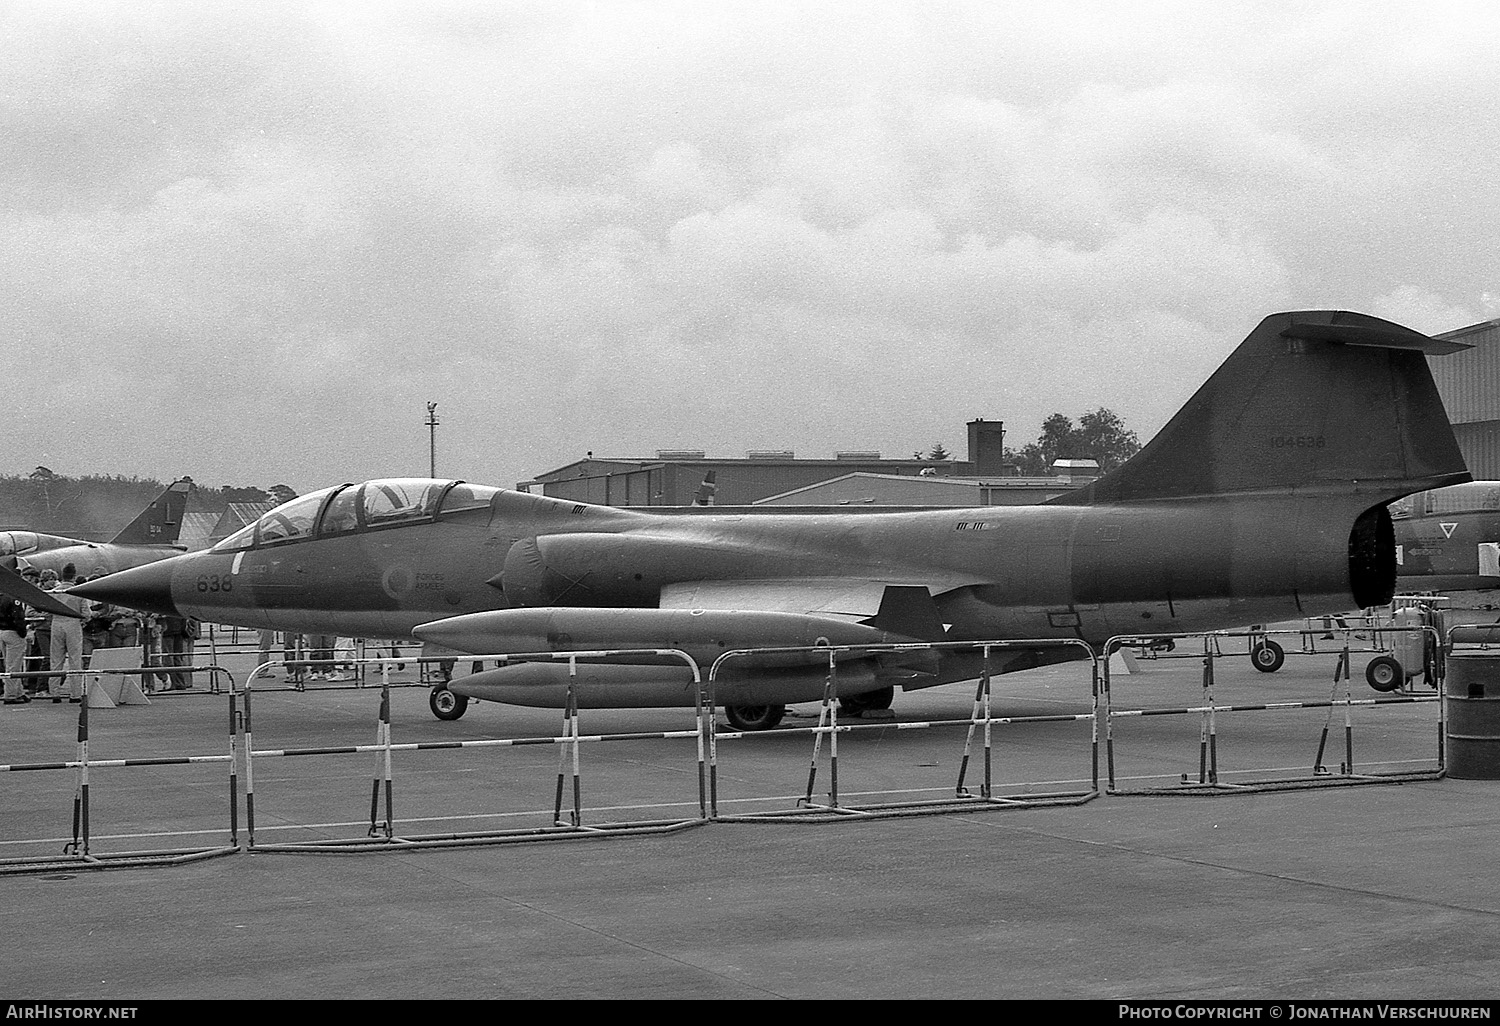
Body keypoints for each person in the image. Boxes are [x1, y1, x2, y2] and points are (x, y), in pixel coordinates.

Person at [48, 563, 88, 701]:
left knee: (56, 659)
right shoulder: (78, 592)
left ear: (62, 575)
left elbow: (48, 611)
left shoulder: (54, 591)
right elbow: (86, 613)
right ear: (74, 576)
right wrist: (83, 621)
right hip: (73, 623)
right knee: (75, 659)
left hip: (57, 623)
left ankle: (55, 693)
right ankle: (75, 694)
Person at [155, 613, 199, 691]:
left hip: (167, 630)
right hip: (180, 630)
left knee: (168, 657)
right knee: (177, 657)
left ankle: (172, 683)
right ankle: (180, 683)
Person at [0, 590, 28, 703]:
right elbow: (18, 616)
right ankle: (11, 695)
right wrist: (22, 632)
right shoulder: (13, 597)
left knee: (9, 663)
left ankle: (18, 692)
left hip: (2, 631)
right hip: (13, 632)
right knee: (14, 666)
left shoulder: (1, 597)